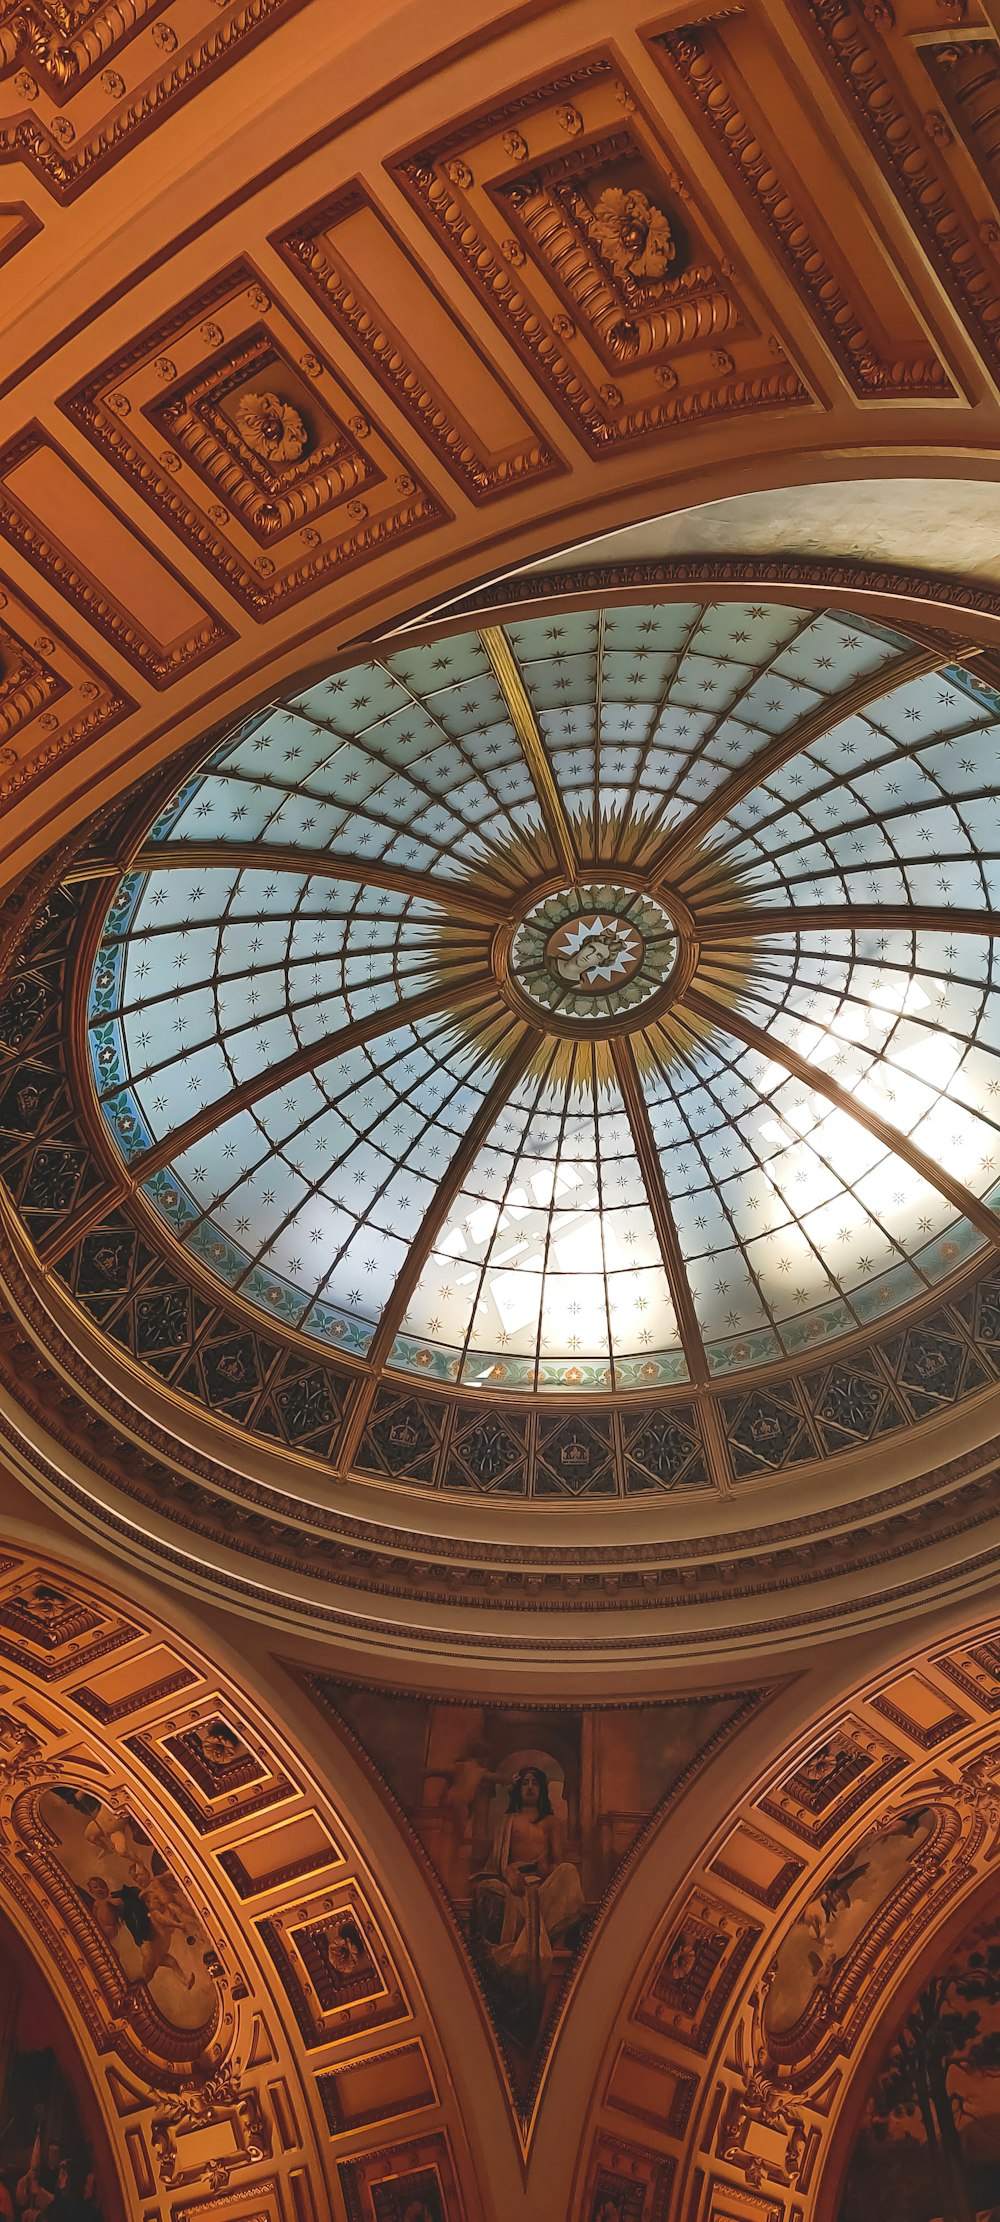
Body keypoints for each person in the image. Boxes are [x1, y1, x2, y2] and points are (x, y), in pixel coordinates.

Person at [474, 1766, 584, 1997]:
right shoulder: (507, 1821)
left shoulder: (551, 1822)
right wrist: (509, 1874)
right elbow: (498, 1860)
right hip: (514, 1881)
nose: (531, 1787)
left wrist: (545, 1868)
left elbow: (558, 1863)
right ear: (518, 1788)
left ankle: (559, 1940)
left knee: (568, 1871)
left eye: (535, 1782)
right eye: (526, 1782)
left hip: (543, 1882)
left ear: (542, 1789)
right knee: (487, 1889)